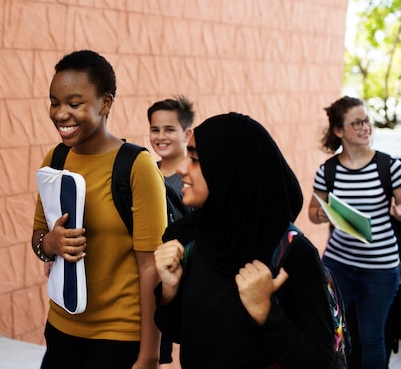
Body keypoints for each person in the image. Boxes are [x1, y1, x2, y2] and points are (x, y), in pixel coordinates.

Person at [154, 112, 336, 368]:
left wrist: (265, 312)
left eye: (195, 159)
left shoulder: (291, 252)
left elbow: (320, 359)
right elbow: (176, 333)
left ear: (230, 170)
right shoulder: (185, 238)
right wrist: (169, 291)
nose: (182, 168)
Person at [32, 49, 168, 369]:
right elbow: (39, 234)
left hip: (118, 337)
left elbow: (151, 268)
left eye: (74, 104)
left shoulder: (137, 166)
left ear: (105, 104)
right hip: (62, 326)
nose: (61, 114)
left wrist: (149, 355)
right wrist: (49, 244)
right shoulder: (56, 160)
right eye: (54, 102)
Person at [308, 96, 401, 369]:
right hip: (338, 266)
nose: (365, 127)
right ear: (339, 131)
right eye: (357, 122)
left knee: (372, 337)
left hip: (380, 270)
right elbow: (313, 211)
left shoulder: (390, 166)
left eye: (367, 121)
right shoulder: (327, 170)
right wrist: (321, 213)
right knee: (332, 331)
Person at [147, 96, 194, 366]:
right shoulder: (146, 173)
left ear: (186, 133)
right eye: (155, 129)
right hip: (151, 276)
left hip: (182, 277)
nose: (161, 136)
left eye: (169, 129)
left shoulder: (192, 178)